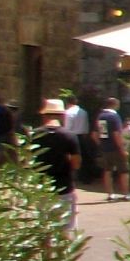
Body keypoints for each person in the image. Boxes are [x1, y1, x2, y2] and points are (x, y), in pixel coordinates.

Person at [33, 99, 80, 230]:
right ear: (62, 115)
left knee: (44, 229)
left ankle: (46, 251)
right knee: (65, 229)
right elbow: (76, 163)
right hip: (64, 185)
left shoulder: (34, 135)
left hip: (42, 186)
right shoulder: (69, 136)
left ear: (44, 115)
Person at [94, 96, 127, 201]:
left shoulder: (101, 116)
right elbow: (116, 134)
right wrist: (122, 148)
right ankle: (126, 193)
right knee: (124, 171)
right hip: (116, 148)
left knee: (108, 171)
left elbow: (95, 134)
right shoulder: (114, 117)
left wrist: (101, 144)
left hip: (105, 148)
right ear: (115, 105)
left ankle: (110, 194)